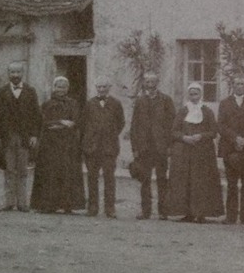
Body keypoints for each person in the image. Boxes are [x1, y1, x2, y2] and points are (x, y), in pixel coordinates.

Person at [169, 82, 221, 222]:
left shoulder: (207, 111)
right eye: (191, 94)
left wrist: (201, 136)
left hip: (203, 153)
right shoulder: (183, 111)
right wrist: (184, 137)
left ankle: (201, 213)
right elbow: (174, 131)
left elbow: (214, 132)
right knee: (187, 182)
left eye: (196, 94)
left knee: (201, 183)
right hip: (186, 153)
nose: (194, 97)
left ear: (200, 94)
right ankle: (188, 213)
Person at [32, 75, 84, 214]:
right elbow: (44, 122)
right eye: (58, 87)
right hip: (50, 145)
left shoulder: (73, 104)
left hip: (68, 145)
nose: (60, 90)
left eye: (63, 87)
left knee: (67, 172)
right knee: (50, 173)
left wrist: (60, 124)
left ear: (67, 89)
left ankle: (67, 205)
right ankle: (49, 205)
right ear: (54, 88)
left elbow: (75, 121)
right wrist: (61, 122)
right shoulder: (47, 104)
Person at [129, 72, 176, 220]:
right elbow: (134, 126)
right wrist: (135, 148)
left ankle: (163, 211)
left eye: (153, 82)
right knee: (145, 180)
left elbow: (172, 125)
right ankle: (146, 211)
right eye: (147, 82)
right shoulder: (140, 101)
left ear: (157, 83)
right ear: (144, 84)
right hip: (144, 148)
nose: (150, 85)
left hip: (160, 147)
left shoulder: (166, 100)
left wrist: (169, 146)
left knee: (162, 180)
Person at [0, 62, 41, 212]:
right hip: (7, 137)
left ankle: (22, 203)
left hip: (24, 137)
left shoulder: (30, 91)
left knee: (22, 170)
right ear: (8, 73)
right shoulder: (1, 92)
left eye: (18, 72)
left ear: (22, 73)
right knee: (9, 169)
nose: (15, 75)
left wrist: (34, 134)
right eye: (12, 72)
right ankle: (9, 202)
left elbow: (36, 115)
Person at [217, 77, 244, 225]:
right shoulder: (224, 104)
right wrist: (235, 138)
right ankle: (230, 216)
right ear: (232, 86)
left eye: (242, 83)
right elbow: (222, 125)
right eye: (237, 83)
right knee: (231, 183)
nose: (240, 86)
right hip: (230, 149)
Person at [81, 79, 126, 218]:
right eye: (99, 86)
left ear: (109, 87)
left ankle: (110, 208)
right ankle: (93, 208)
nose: (101, 89)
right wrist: (90, 139)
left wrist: (110, 135)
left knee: (109, 178)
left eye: (104, 86)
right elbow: (84, 123)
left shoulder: (116, 104)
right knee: (92, 178)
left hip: (109, 148)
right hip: (92, 147)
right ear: (96, 87)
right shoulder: (90, 104)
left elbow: (121, 123)